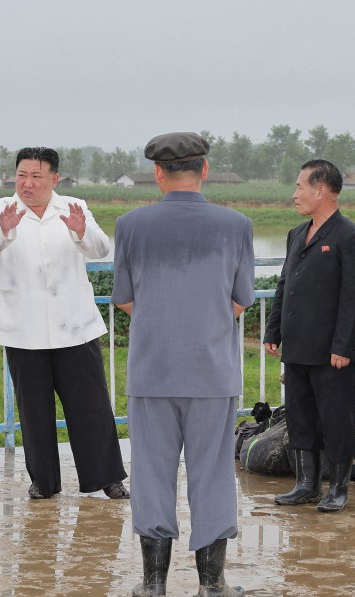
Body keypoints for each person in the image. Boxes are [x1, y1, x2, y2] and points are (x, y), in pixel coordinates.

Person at [113, 131, 253, 597]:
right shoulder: (237, 225)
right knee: (212, 474)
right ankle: (212, 584)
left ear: (158, 173)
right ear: (204, 170)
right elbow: (239, 301)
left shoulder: (131, 224)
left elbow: (127, 299)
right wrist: (202, 323)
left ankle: (153, 583)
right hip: (212, 371)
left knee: (152, 472)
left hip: (152, 370)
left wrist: (164, 321)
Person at [0, 147, 128, 500]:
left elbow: (101, 248)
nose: (27, 184)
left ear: (54, 179)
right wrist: (2, 231)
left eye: (36, 177)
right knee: (34, 410)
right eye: (22, 175)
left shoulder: (74, 207)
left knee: (91, 406)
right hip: (24, 329)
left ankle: (107, 477)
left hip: (75, 325)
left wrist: (80, 231)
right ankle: (43, 481)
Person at [263, 159, 355, 513]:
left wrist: (343, 346)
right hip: (297, 346)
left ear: (320, 190)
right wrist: (273, 329)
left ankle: (338, 487)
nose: (295, 194)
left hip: (331, 351)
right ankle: (307, 484)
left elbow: (353, 300)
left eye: (299, 186)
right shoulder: (297, 234)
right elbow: (285, 286)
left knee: (336, 418)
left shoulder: (352, 238)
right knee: (300, 416)